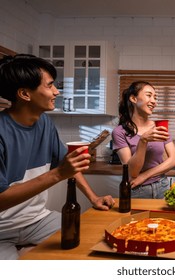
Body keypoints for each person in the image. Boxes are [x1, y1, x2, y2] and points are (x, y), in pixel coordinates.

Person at [0, 54, 115, 259]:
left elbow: (67, 164)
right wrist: (58, 174)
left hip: (36, 221)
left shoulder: (44, 123)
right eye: (50, 85)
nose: (56, 91)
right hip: (1, 230)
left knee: (92, 243)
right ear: (25, 94)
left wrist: (93, 198)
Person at [111, 81, 175, 199]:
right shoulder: (120, 132)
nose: (154, 101)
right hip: (137, 190)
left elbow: (173, 160)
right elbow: (132, 172)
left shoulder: (159, 127)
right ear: (133, 98)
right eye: (149, 95)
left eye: (155, 97)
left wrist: (145, 176)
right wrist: (143, 141)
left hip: (162, 186)